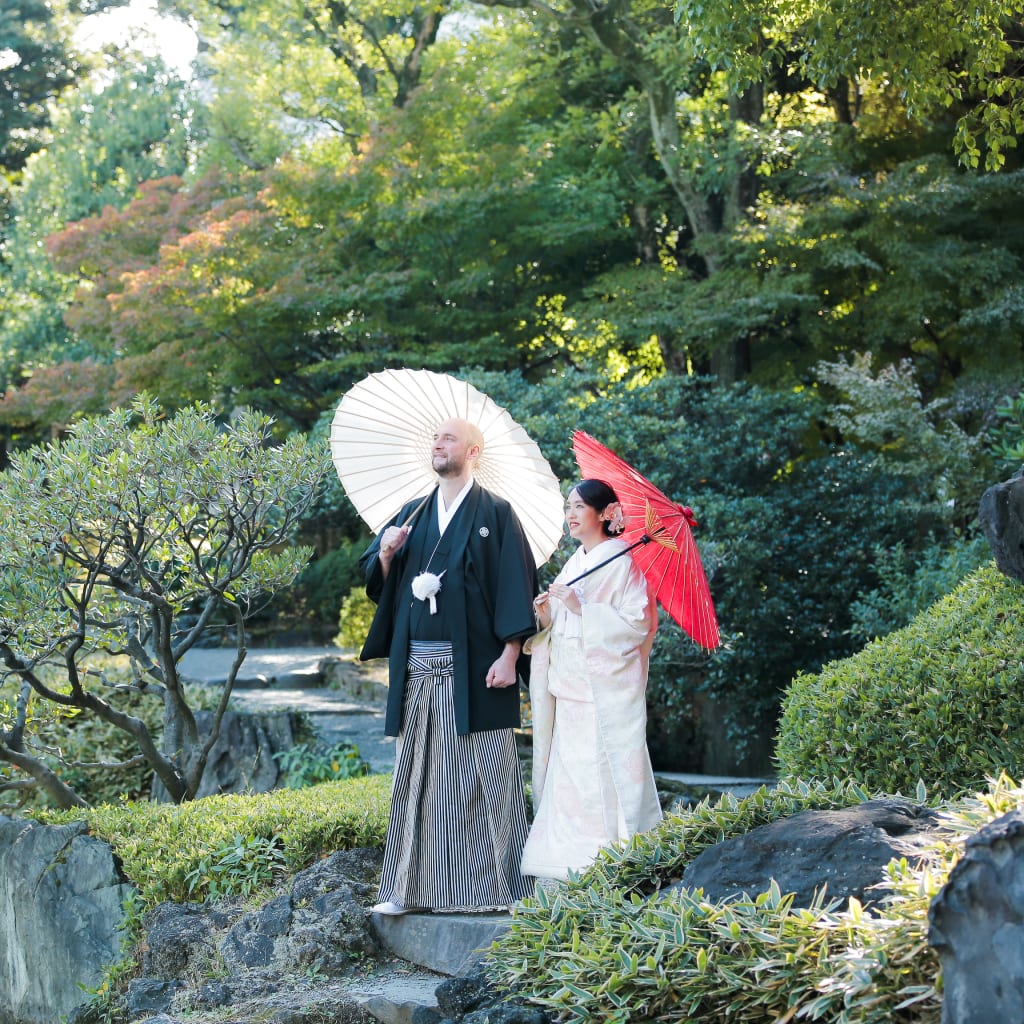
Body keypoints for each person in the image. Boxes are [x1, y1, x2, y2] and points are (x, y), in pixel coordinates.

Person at [358, 417, 538, 914]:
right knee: (415, 778)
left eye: (449, 438)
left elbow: (516, 586)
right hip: (418, 666)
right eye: (435, 438)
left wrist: (510, 655)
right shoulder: (411, 513)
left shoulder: (496, 513)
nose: (438, 443)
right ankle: (407, 890)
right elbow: (374, 577)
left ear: (473, 452)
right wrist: (387, 555)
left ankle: (493, 890)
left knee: (483, 779)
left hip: (477, 669)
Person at [521, 478, 663, 881]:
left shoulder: (623, 562)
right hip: (568, 686)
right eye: (568, 507)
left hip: (601, 691)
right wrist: (548, 615)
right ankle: (561, 857)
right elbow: (560, 623)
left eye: (579, 507)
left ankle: (604, 856)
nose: (570, 514)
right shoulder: (577, 561)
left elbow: (638, 623)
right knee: (569, 776)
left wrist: (583, 609)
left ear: (604, 514)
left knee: (598, 773)